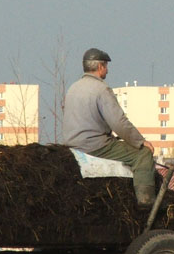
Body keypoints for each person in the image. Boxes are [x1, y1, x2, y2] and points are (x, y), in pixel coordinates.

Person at [63, 48, 156, 208]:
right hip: (95, 146)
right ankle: (146, 202)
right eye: (106, 66)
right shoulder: (101, 89)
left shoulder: (73, 88)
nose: (107, 69)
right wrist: (140, 142)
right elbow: (119, 123)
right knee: (143, 155)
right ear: (100, 67)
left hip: (71, 144)